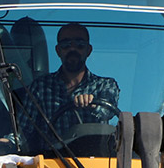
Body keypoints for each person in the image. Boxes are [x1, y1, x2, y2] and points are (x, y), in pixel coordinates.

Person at [17, 22, 120, 153]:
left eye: (79, 44)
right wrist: (6, 142)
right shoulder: (40, 87)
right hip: (51, 165)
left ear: (88, 50)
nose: (73, 49)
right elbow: (24, 130)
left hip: (98, 164)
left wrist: (92, 104)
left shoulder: (105, 85)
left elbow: (107, 110)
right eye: (66, 44)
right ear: (58, 51)